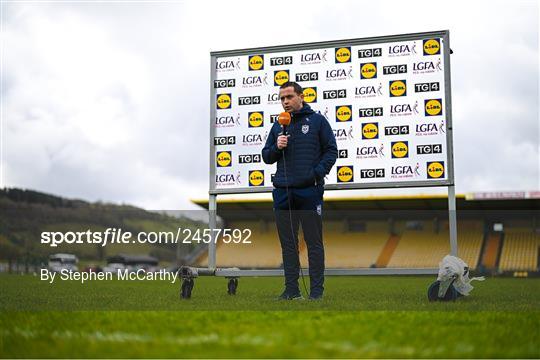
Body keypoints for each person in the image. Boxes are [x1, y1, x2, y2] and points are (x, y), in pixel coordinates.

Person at [262, 81, 338, 300]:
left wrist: (316, 173)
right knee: (288, 244)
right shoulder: (278, 126)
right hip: (283, 192)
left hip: (309, 192)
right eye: (282, 98)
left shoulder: (317, 121)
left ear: (301, 97)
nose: (285, 102)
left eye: (289, 97)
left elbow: (331, 151)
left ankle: (316, 292)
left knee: (314, 243)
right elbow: (267, 156)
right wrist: (277, 146)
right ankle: (291, 290)